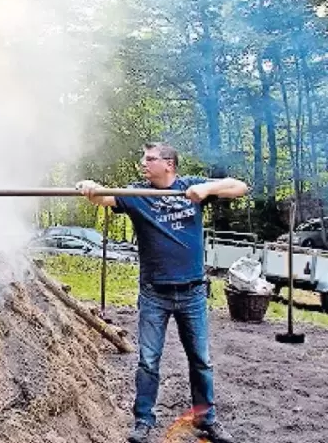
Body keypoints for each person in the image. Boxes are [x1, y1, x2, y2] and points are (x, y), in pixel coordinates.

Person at [75, 142, 248, 443]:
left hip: (193, 293)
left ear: (169, 164)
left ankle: (206, 419)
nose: (144, 164)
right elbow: (104, 197)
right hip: (155, 293)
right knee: (148, 361)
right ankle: (143, 421)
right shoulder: (137, 194)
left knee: (201, 360)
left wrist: (207, 191)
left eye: (150, 159)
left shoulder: (191, 187)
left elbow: (239, 187)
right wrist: (92, 188)